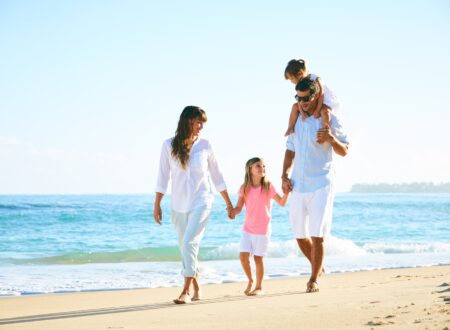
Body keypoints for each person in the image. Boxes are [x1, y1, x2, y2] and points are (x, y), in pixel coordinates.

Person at [153, 105, 234, 304]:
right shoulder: (168, 145)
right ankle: (197, 288)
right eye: (198, 122)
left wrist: (228, 203)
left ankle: (185, 291)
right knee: (185, 248)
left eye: (203, 123)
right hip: (179, 204)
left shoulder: (206, 145)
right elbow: (162, 177)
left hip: (202, 200)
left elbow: (217, 175)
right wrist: (157, 205)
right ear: (187, 121)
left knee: (190, 243)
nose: (201, 127)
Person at [281, 78, 349, 293]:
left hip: (322, 182)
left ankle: (313, 280)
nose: (302, 102)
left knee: (317, 234)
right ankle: (318, 267)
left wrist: (331, 138)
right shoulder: (297, 121)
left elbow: (344, 150)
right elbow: (290, 149)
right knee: (300, 235)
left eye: (306, 98)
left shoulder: (329, 119)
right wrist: (284, 174)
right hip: (298, 185)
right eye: (297, 98)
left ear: (315, 96)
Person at [232, 157, 289, 296]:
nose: (262, 168)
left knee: (258, 258)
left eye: (263, 166)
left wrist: (287, 192)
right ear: (250, 169)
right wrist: (233, 212)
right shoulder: (244, 188)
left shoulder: (268, 186)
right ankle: (250, 280)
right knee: (243, 257)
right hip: (247, 229)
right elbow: (239, 207)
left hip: (263, 230)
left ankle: (259, 287)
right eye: (258, 166)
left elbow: (281, 202)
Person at [284, 59, 341, 137]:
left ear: (299, 73)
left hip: (325, 101)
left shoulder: (315, 78)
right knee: (294, 107)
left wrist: (317, 110)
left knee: (325, 111)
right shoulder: (301, 84)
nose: (292, 82)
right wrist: (302, 112)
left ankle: (325, 131)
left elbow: (321, 95)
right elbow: (300, 99)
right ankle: (290, 127)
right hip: (312, 100)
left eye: (292, 79)